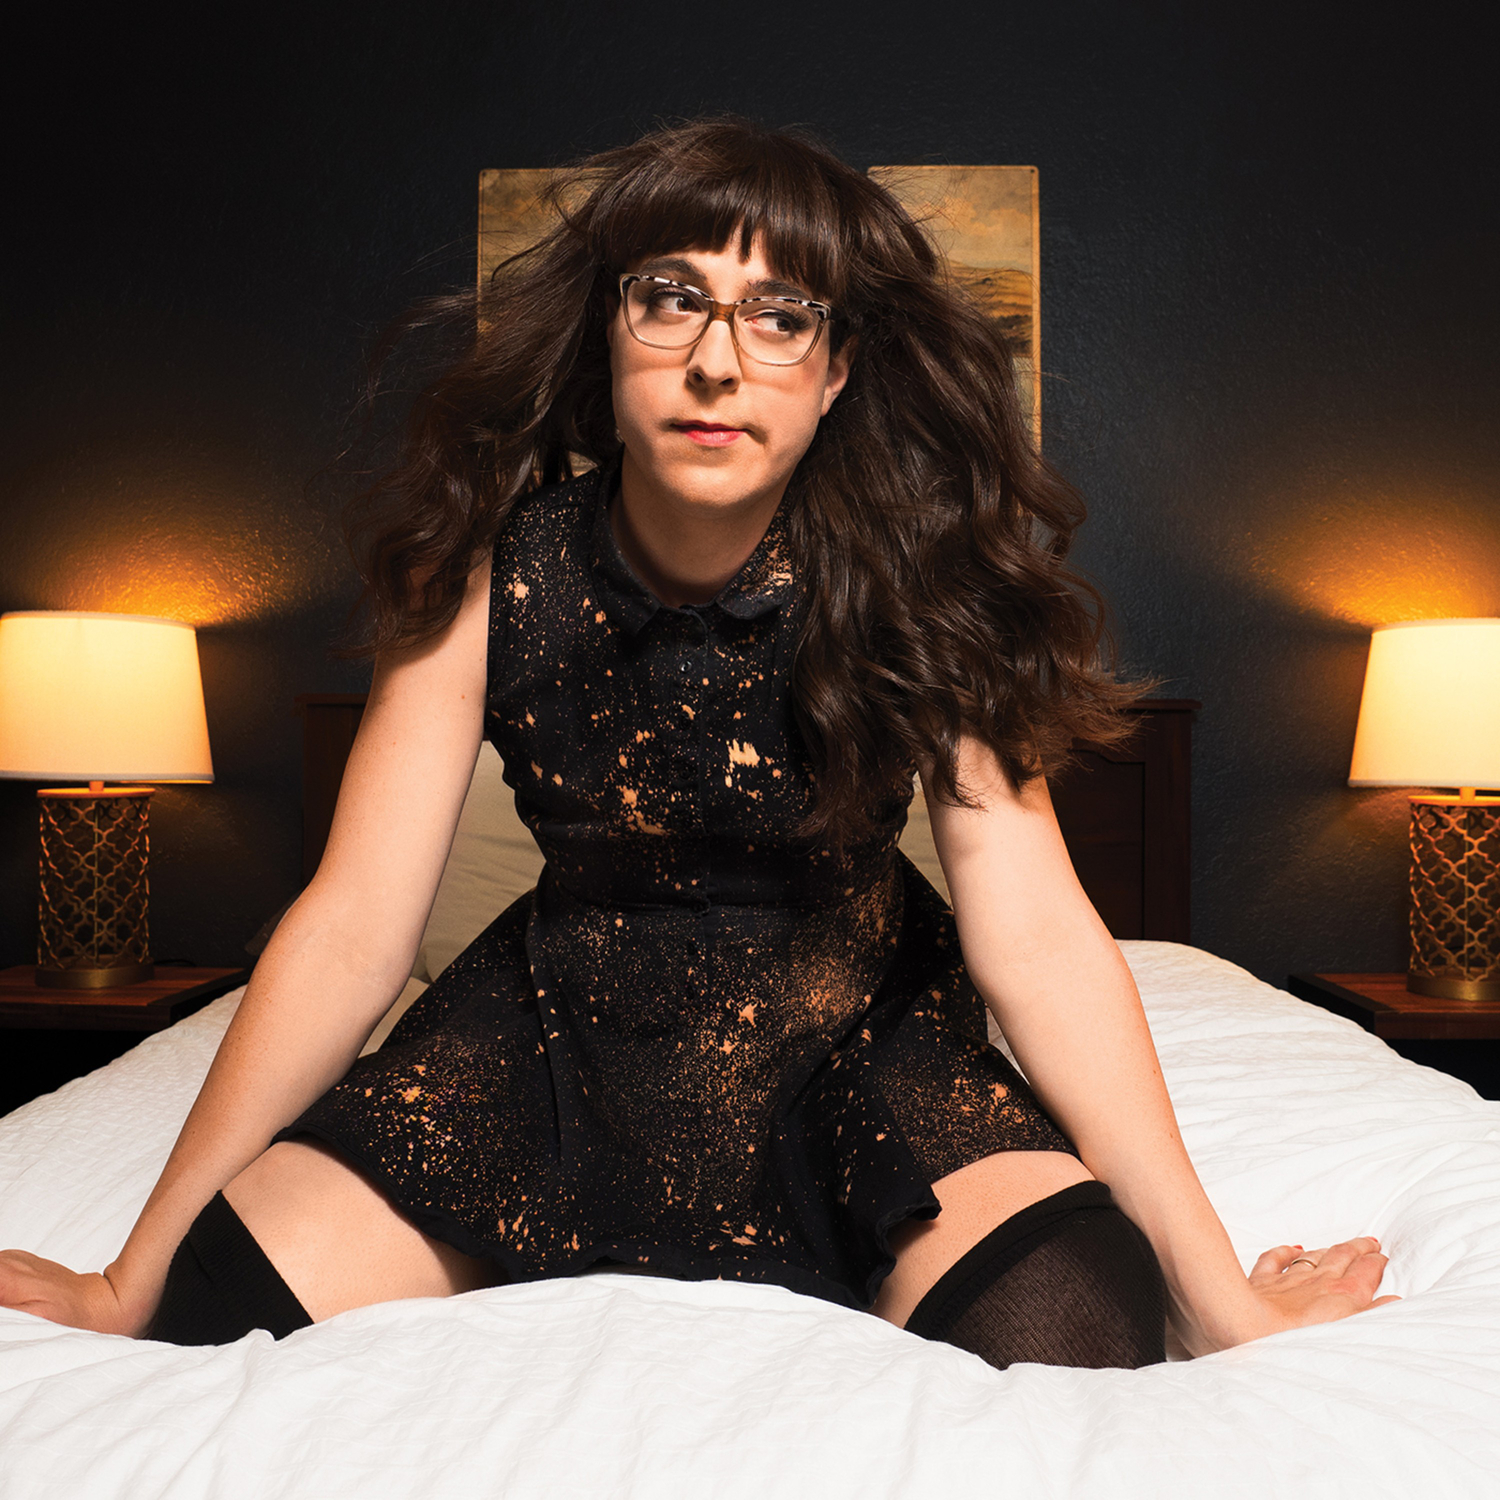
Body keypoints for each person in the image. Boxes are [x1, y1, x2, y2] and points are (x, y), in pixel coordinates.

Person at [0, 118, 1395, 1368]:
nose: (718, 360)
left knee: (1079, 1325)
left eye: (782, 317)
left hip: (858, 1048)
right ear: (608, 333)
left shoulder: (914, 584)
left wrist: (1217, 1291)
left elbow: (1037, 941)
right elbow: (356, 924)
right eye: (672, 298)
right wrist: (130, 1275)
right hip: (547, 1045)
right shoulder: (490, 577)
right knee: (211, 1311)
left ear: (836, 371)